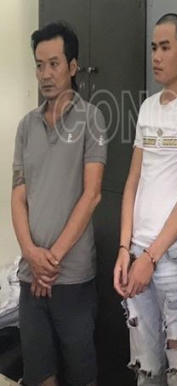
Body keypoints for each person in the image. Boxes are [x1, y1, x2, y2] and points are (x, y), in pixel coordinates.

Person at [113, 13, 177, 384]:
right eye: (154, 47)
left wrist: (151, 257)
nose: (156, 56)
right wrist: (124, 250)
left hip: (171, 261)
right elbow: (132, 182)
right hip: (136, 256)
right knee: (145, 368)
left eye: (165, 47)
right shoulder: (147, 108)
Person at [12, 21, 107, 386]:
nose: (45, 74)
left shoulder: (92, 119)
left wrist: (49, 262)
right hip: (30, 276)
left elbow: (92, 194)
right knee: (39, 375)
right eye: (39, 65)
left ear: (73, 66)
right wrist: (31, 254)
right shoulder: (26, 126)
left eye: (54, 64)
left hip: (72, 278)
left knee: (82, 376)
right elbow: (18, 195)